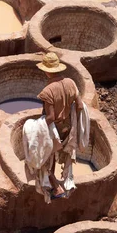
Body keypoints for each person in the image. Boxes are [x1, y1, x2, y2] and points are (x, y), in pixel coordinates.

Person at [36, 52, 84, 199]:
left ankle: (57, 189)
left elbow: (50, 117)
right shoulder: (71, 82)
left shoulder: (48, 91)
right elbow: (80, 105)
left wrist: (37, 127)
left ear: (46, 71)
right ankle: (61, 182)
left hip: (54, 129)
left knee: (45, 160)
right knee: (56, 156)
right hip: (67, 128)